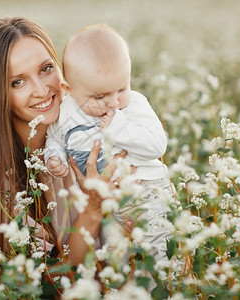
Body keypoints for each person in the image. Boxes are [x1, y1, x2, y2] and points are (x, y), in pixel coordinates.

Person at [0, 17, 125, 294]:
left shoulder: (90, 143)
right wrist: (94, 207)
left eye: (46, 69)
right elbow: (53, 288)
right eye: (18, 82)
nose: (42, 89)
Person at [44, 24, 173, 264]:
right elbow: (54, 138)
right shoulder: (66, 112)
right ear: (69, 90)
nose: (114, 102)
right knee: (120, 265)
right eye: (101, 96)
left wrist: (120, 128)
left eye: (122, 88)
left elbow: (157, 145)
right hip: (106, 206)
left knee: (161, 259)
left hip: (146, 194)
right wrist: (54, 157)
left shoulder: (133, 105)